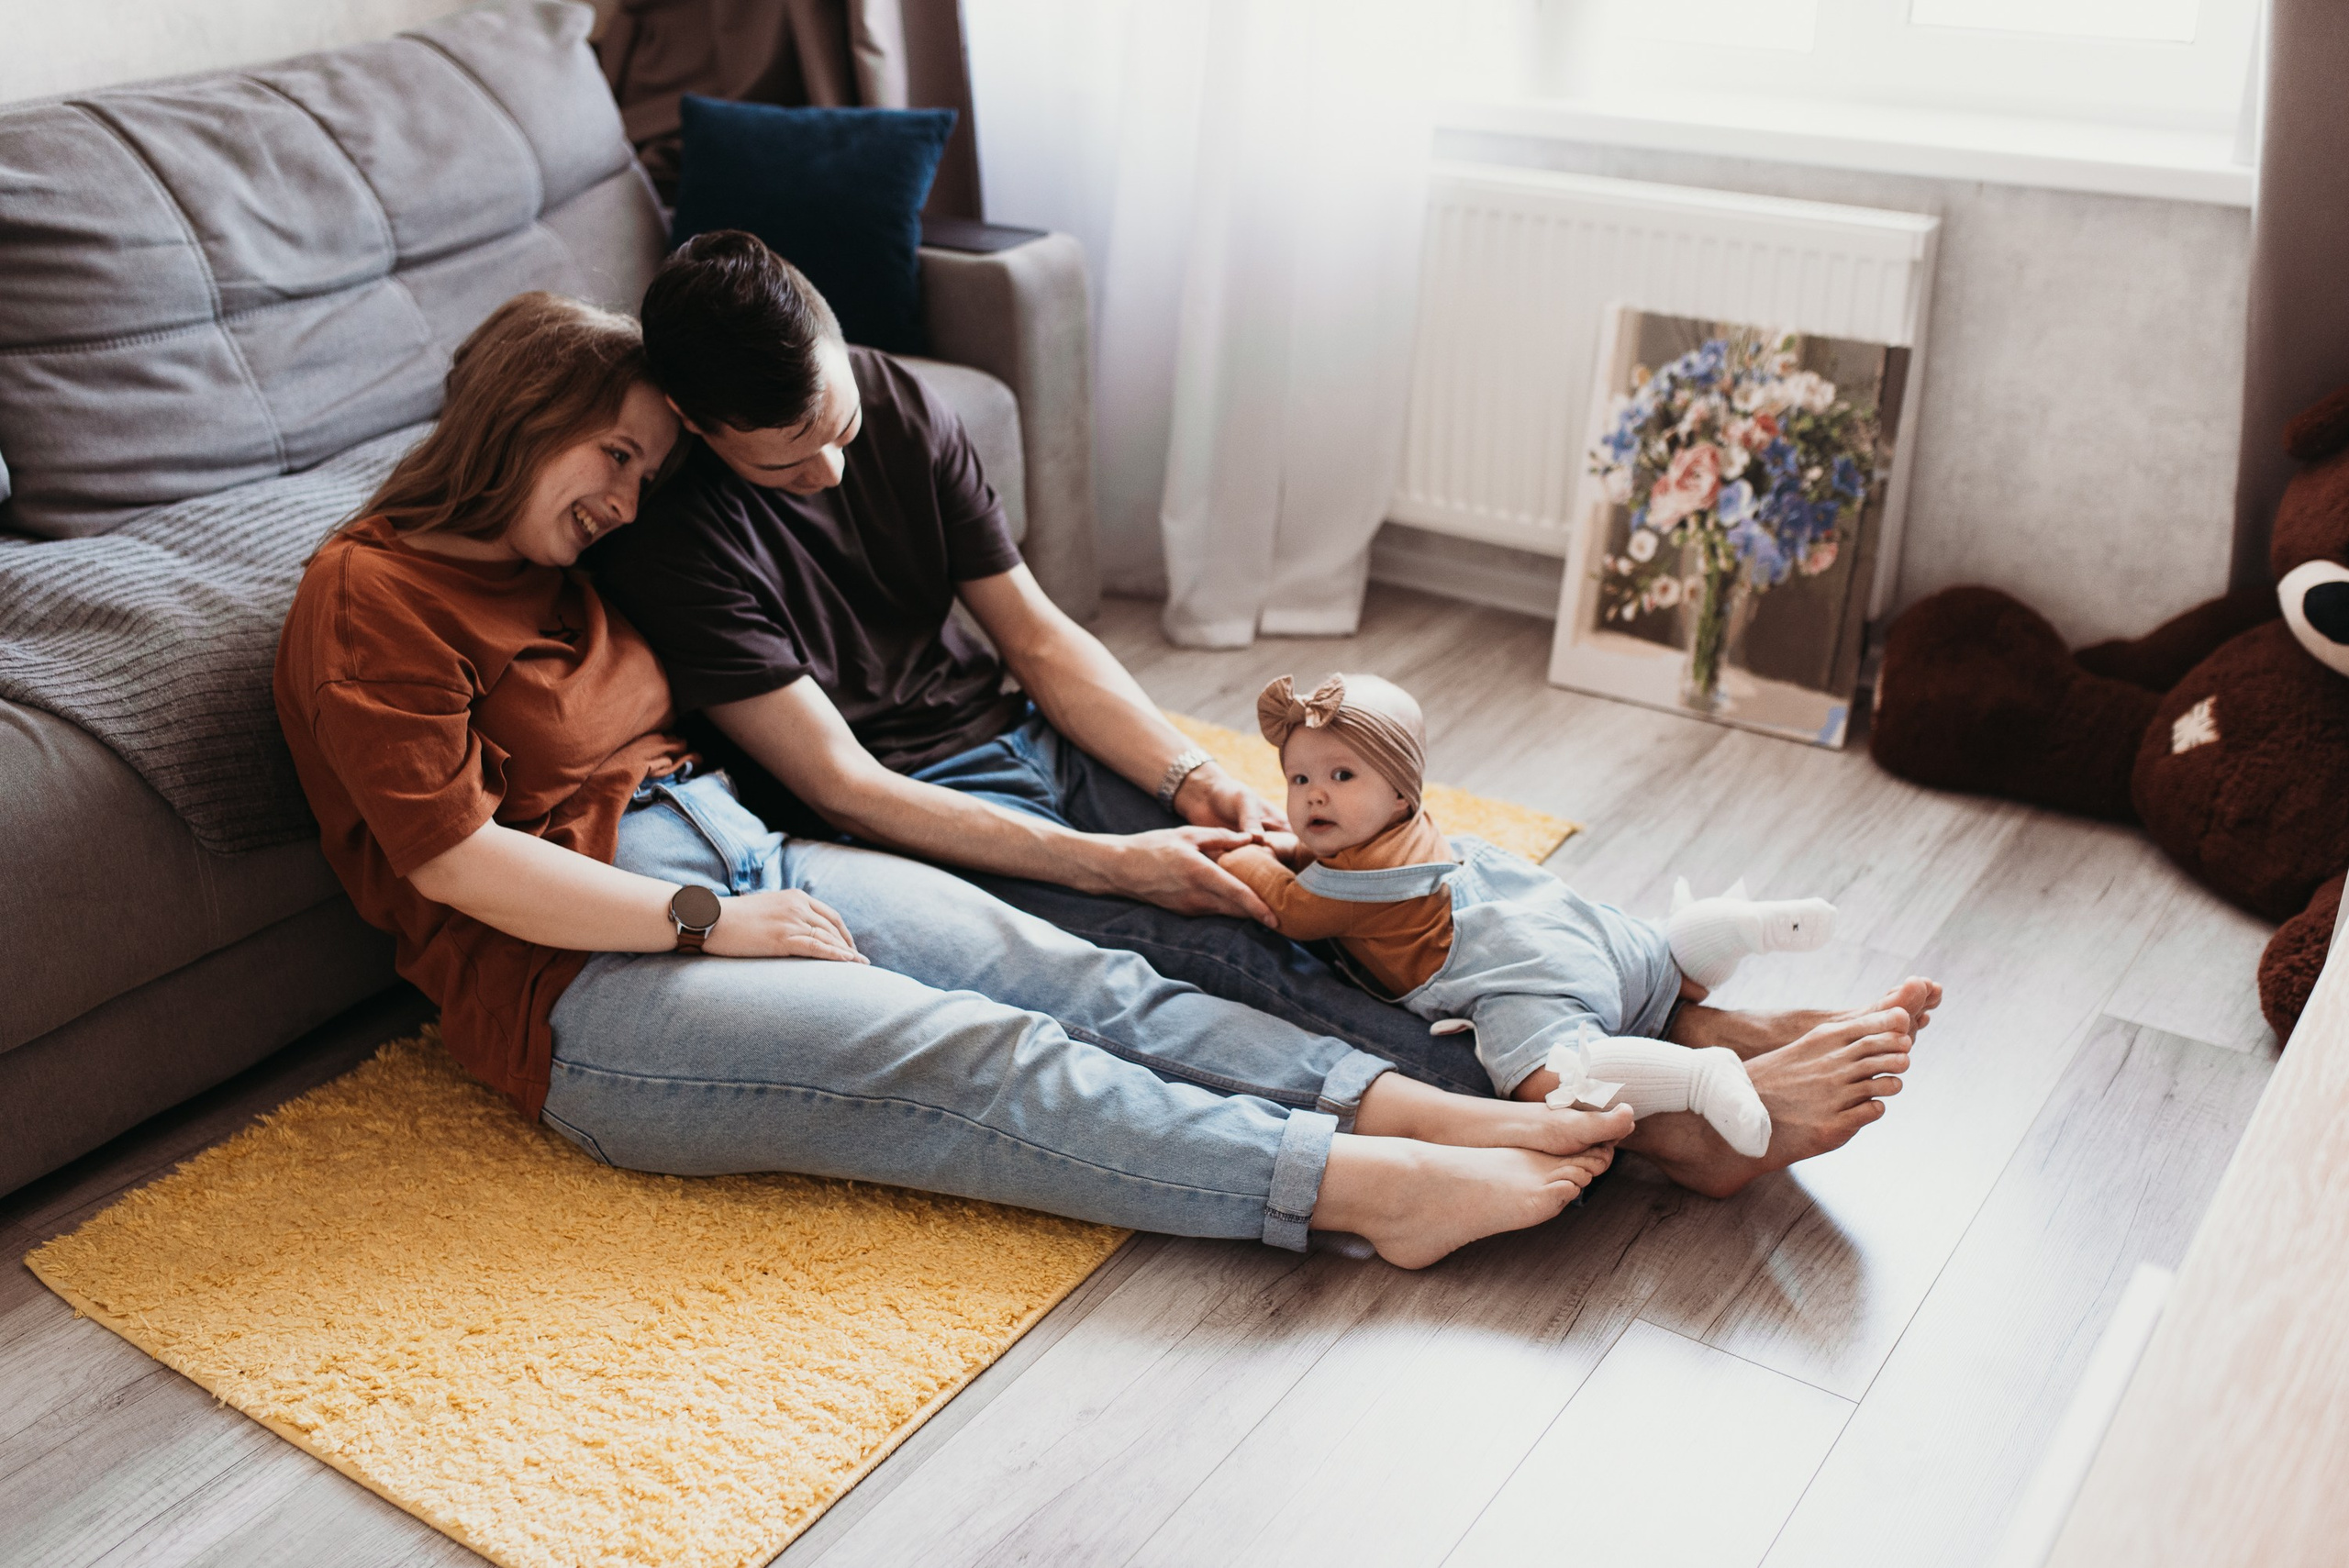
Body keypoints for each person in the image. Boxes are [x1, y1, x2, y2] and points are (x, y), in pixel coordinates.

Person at [272, 290, 1683, 1271]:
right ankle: (1361, 1191)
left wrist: (744, 889)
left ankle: (1416, 1107)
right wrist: (703, 923)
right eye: (617, 458)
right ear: (519, 415)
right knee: (983, 1056)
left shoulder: (565, 561)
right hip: (582, 988)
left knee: (1097, 988)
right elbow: (453, 861)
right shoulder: (371, 596)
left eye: (648, 465)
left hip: (747, 857)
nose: (632, 502)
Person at [586, 229, 1475, 1089]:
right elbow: (844, 787)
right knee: (1235, 943)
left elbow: (1038, 638)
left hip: (1021, 732)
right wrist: (1113, 862)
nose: (831, 470)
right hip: (919, 817)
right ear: (696, 423)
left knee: (1341, 863)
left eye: (840, 430)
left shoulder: (890, 393)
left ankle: (1583, 985)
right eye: (788, 465)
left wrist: (1190, 777)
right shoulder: (669, 540)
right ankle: (1534, 1084)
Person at [1219, 672, 1943, 1192]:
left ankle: (1700, 1079)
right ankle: (1724, 942)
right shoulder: (1417, 830)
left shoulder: (1350, 886)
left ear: (1403, 789)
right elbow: (1328, 843)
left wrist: (1250, 849)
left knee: (1550, 1076)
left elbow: (1290, 902)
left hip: (1506, 971)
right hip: (1570, 927)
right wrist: (1307, 832)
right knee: (1652, 957)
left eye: (1341, 775)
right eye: (1296, 779)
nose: (1312, 794)